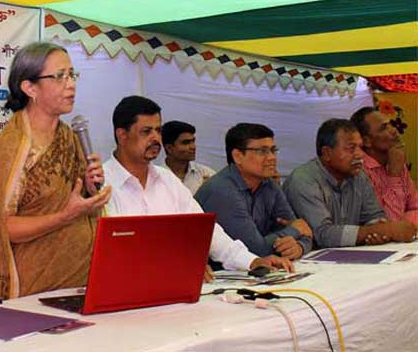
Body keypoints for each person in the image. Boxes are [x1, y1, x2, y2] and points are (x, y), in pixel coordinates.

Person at [104, 96, 292, 281]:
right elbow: (116, 252)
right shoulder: (101, 185)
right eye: (146, 131)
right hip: (124, 287)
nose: (156, 138)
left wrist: (251, 261)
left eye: (158, 130)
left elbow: (206, 231)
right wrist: (177, 265)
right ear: (122, 135)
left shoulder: (167, 180)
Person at [0, 42, 111, 299]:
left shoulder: (69, 135)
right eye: (59, 76)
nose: (71, 84)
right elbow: (4, 228)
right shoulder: (12, 144)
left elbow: (76, 200)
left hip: (83, 276)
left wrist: (89, 186)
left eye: (72, 75)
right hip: (37, 288)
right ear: (30, 88)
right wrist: (64, 216)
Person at [284, 119, 416, 248]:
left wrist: (377, 232)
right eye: (351, 148)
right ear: (327, 153)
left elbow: (374, 216)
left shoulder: (358, 176)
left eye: (360, 147)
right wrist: (383, 230)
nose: (359, 154)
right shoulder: (303, 180)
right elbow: (323, 235)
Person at [195, 124, 312, 260]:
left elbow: (306, 233)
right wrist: (295, 231)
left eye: (273, 150)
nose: (272, 157)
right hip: (216, 270)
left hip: (255, 267)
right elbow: (254, 250)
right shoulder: (222, 190)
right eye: (262, 151)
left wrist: (299, 247)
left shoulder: (268, 184)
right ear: (238, 156)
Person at [351, 106, 417, 225]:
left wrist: (406, 224)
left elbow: (415, 207)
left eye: (390, 124)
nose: (394, 130)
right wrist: (394, 176)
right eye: (384, 128)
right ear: (366, 141)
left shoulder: (395, 159)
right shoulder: (360, 172)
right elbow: (387, 224)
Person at [161, 120, 216, 195]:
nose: (193, 147)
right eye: (186, 143)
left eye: (193, 141)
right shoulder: (155, 178)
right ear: (169, 148)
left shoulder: (207, 174)